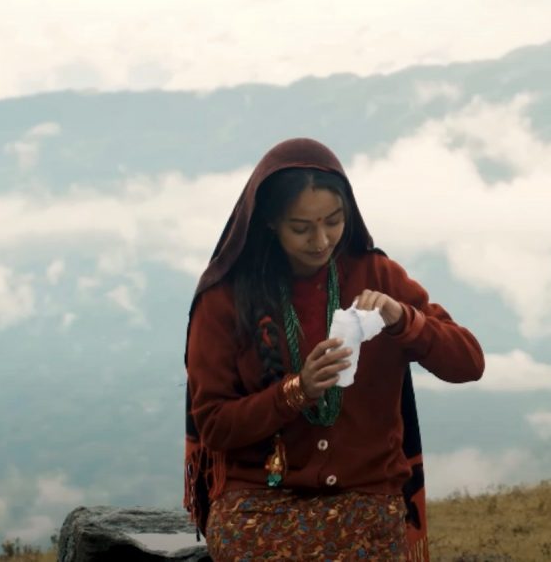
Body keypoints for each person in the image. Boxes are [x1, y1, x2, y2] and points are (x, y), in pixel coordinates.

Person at [183, 137, 485, 561]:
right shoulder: (226, 297)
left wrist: (403, 319)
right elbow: (214, 425)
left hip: (366, 494)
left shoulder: (377, 274)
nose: (321, 240)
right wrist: (296, 391)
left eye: (334, 221)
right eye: (301, 228)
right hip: (258, 500)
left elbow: (469, 363)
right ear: (270, 221)